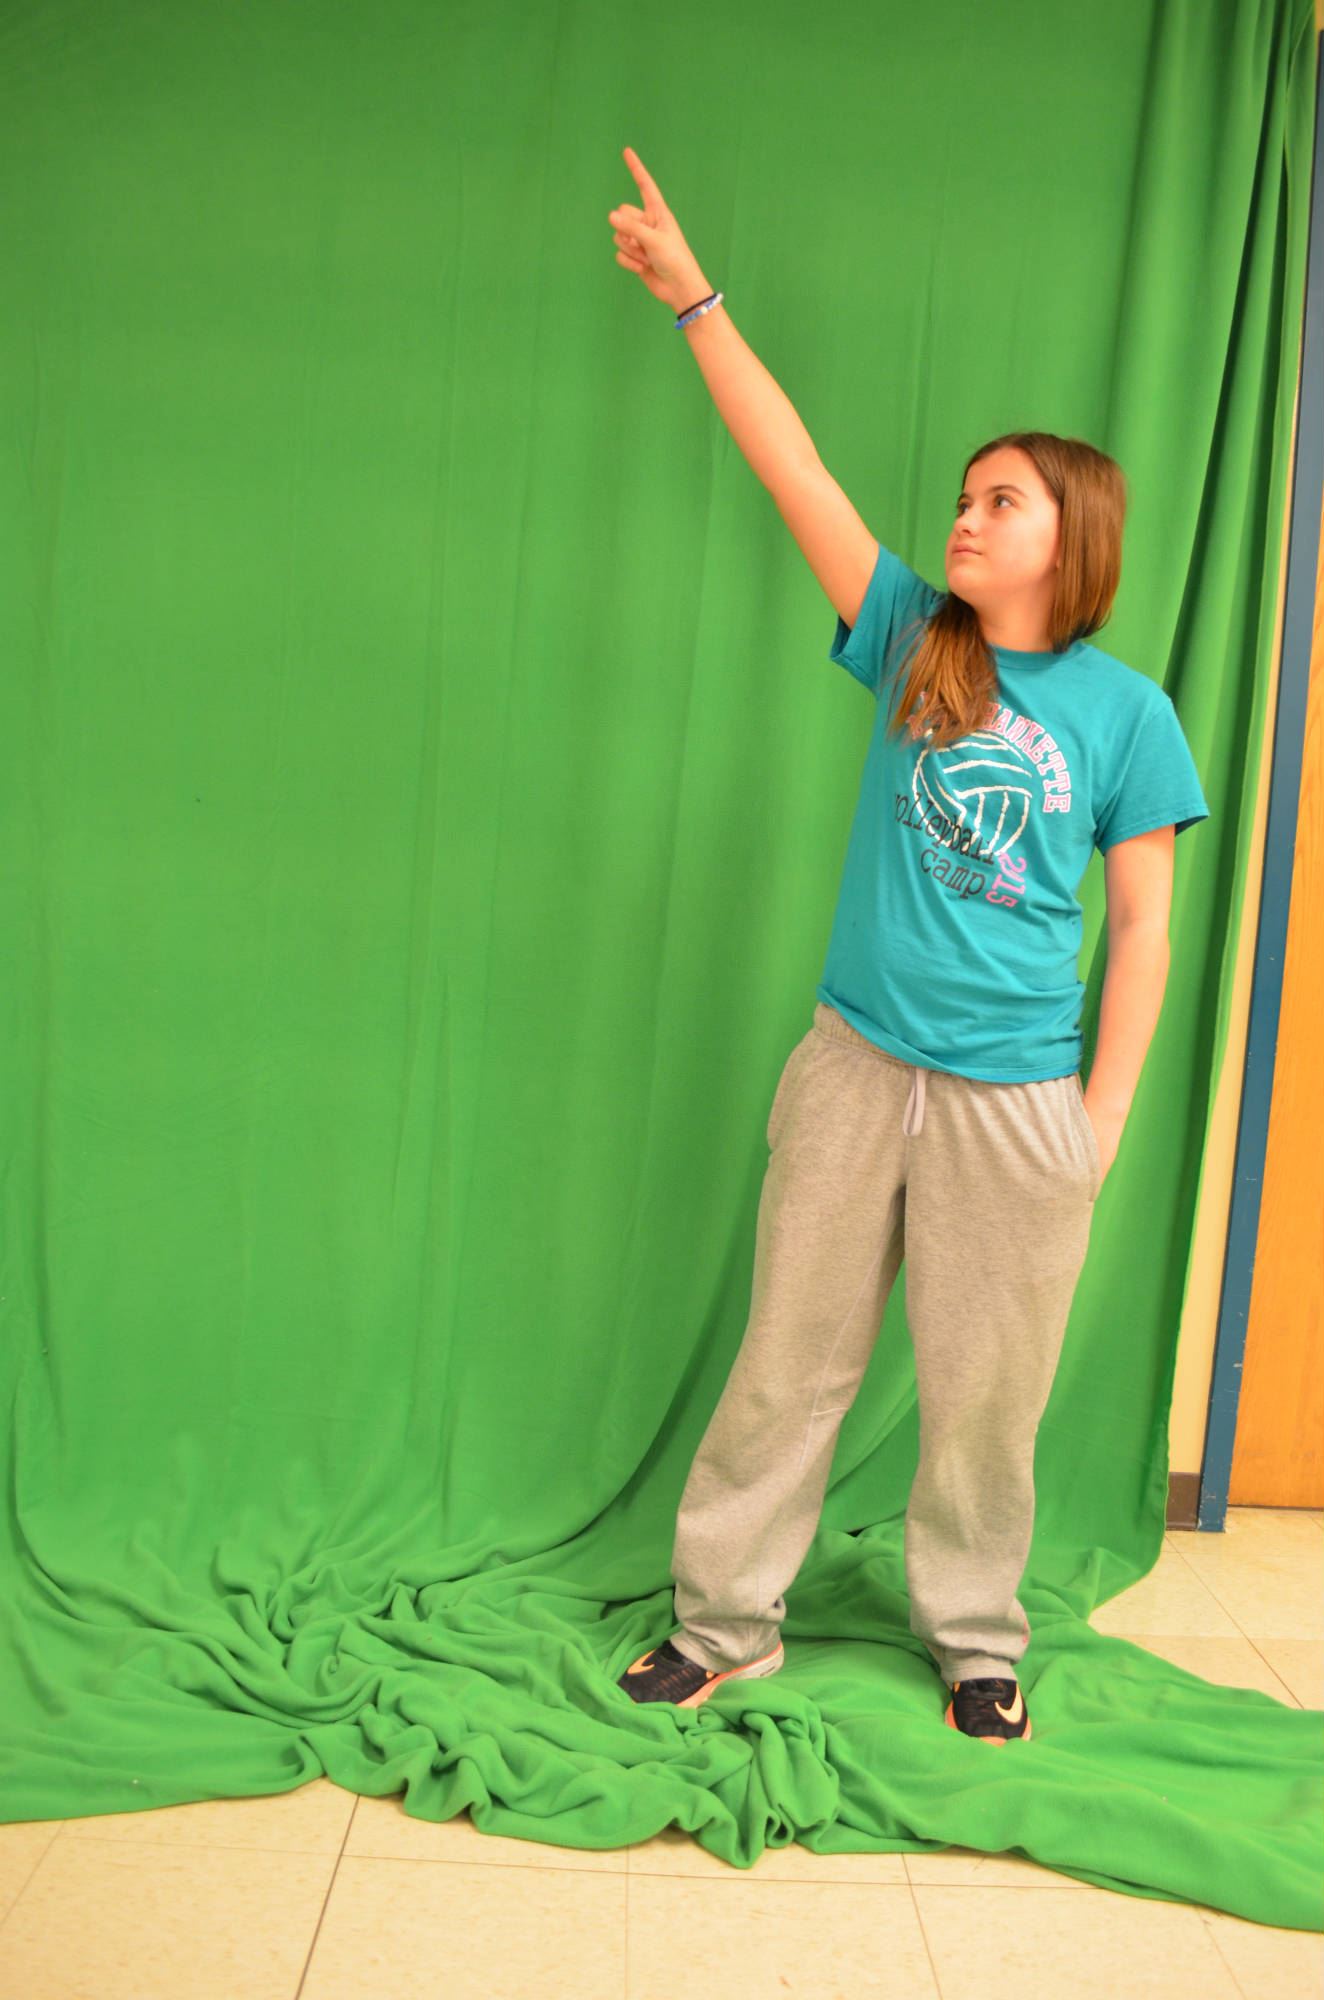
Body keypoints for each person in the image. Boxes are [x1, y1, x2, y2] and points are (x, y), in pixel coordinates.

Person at [606, 147, 1210, 1744]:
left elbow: (1144, 924)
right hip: (855, 1068)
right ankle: (723, 1624)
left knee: (989, 1398)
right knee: (788, 1363)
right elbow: (796, 471)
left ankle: (977, 1641)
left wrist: (1100, 1118)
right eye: (963, 493)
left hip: (1021, 1100)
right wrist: (697, 303)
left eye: (1002, 500)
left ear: (1070, 537)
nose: (966, 514)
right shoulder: (909, 642)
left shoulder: (1127, 715)